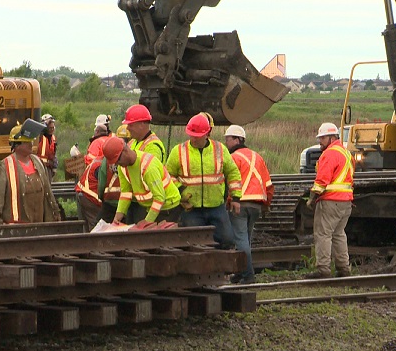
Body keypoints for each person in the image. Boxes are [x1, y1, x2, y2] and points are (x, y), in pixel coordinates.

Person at [165, 113, 242, 247]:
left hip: (216, 207)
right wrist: (180, 191)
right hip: (191, 208)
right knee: (195, 243)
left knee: (227, 240)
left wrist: (235, 198)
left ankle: (220, 266)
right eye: (191, 135)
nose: (193, 139)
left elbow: (233, 173)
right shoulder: (178, 151)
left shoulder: (220, 149)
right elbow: (167, 175)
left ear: (206, 134)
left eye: (197, 136)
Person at [225, 125, 274, 284]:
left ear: (238, 139)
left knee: (240, 239)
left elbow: (229, 183)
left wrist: (228, 202)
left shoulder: (233, 158)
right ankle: (240, 272)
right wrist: (267, 203)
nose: (226, 142)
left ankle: (248, 274)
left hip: (241, 203)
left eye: (228, 139)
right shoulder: (257, 157)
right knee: (245, 239)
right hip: (256, 204)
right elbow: (268, 184)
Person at [305, 122, 355, 279]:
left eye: (323, 138)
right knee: (339, 234)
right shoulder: (346, 153)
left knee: (323, 234)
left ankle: (323, 269)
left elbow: (322, 180)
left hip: (330, 200)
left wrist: (312, 197)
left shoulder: (330, 154)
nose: (320, 141)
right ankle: (343, 268)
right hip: (346, 201)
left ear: (332, 138)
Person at [0, 122, 62, 224]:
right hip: (16, 230)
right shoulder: (5, 166)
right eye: (27, 142)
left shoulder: (38, 162)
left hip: (39, 225)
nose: (31, 144)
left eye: (31, 141)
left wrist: (55, 212)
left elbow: (48, 191)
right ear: (17, 145)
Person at [102, 137, 181, 226]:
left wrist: (146, 223)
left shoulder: (148, 167)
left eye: (118, 160)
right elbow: (126, 193)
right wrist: (117, 218)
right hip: (150, 206)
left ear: (125, 151)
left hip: (169, 208)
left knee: (157, 237)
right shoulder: (123, 168)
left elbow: (159, 198)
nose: (117, 164)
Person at [94, 124, 131, 223]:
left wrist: (101, 197)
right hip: (128, 204)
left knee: (100, 230)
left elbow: (101, 181)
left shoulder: (108, 158)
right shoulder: (132, 157)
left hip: (109, 201)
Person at [75, 156, 103, 231]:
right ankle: (94, 242)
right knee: (96, 226)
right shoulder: (101, 166)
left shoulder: (98, 161)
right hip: (90, 197)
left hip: (83, 193)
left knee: (87, 226)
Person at [37, 114, 57, 182]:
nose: (51, 129)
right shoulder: (40, 136)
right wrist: (45, 122)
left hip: (48, 168)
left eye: (53, 128)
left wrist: (54, 167)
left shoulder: (53, 138)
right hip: (39, 166)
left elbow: (54, 154)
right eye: (50, 128)